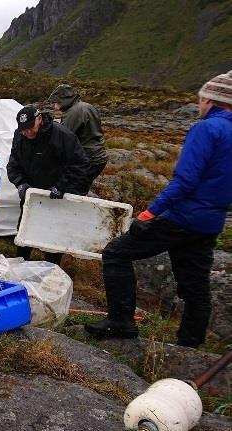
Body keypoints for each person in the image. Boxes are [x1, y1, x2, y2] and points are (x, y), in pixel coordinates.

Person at [85, 71, 232, 348]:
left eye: (201, 99)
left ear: (212, 100)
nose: (199, 105)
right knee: (195, 286)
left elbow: (185, 181)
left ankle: (121, 322)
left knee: (116, 253)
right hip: (210, 222)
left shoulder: (207, 129)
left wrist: (150, 213)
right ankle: (189, 346)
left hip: (182, 218)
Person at [7, 105, 89, 264]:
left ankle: (51, 271)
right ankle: (20, 264)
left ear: (39, 119)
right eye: (23, 129)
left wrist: (62, 187)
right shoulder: (20, 135)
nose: (27, 133)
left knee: (53, 236)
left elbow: (80, 164)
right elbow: (13, 165)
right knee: (24, 231)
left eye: (30, 128)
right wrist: (21, 184)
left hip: (55, 196)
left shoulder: (62, 135)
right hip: (31, 195)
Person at [48, 84, 108, 193]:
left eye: (55, 102)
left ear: (63, 100)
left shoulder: (73, 112)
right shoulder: (87, 106)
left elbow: (64, 136)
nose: (54, 106)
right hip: (99, 156)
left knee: (74, 190)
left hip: (88, 158)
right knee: (82, 186)